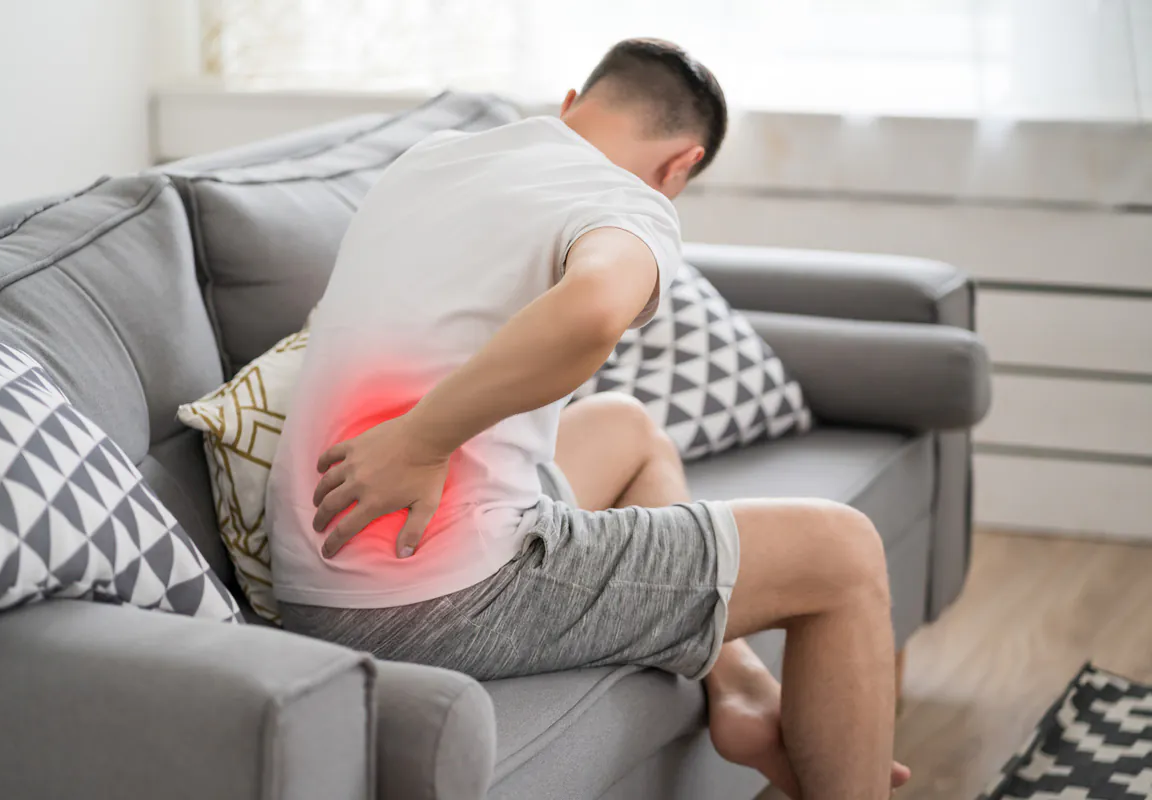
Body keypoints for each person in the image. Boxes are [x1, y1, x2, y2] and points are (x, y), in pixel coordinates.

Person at [266, 38, 910, 797]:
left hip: (316, 567)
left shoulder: (435, 157)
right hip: (432, 593)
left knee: (625, 425)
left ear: (573, 105)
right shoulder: (630, 200)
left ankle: (733, 680)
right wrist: (422, 437)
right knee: (845, 551)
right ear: (679, 166)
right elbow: (597, 307)